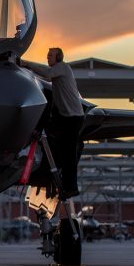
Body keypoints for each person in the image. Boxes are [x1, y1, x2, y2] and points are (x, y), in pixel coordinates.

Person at [21, 47, 85, 199]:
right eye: (47, 55)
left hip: (73, 118)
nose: (47, 57)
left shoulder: (63, 68)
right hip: (64, 117)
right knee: (60, 148)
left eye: (50, 55)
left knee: (69, 154)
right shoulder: (58, 74)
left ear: (59, 57)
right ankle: (54, 177)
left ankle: (71, 188)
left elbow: (47, 75)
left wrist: (26, 64)